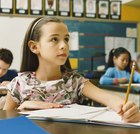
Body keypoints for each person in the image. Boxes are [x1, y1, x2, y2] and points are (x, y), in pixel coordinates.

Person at [3, 17, 140, 122]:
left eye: (66, 39)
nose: (64, 45)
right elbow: (5, 125)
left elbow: (111, 100)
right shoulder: (19, 84)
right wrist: (20, 109)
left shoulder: (75, 81)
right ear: (34, 47)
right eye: (54, 39)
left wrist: (129, 109)